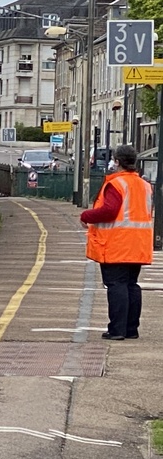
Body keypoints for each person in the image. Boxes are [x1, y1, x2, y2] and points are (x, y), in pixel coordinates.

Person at [80, 144, 153, 340]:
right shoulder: (145, 186)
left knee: (116, 285)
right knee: (131, 285)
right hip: (138, 243)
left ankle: (117, 330)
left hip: (117, 243)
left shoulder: (117, 184)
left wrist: (86, 215)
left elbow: (109, 211)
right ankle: (131, 329)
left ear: (118, 162)